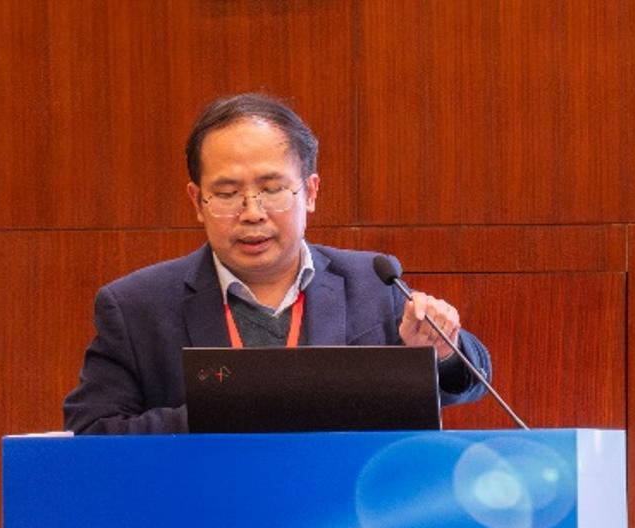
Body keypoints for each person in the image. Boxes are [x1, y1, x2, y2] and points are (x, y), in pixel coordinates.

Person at [63, 93, 490, 434]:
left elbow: (470, 379)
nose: (252, 213)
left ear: (310, 192)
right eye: (227, 194)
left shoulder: (371, 282)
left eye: (271, 190)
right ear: (197, 201)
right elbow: (92, 430)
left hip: (337, 508)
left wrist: (440, 354)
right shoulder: (137, 306)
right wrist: (228, 414)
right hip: (204, 509)